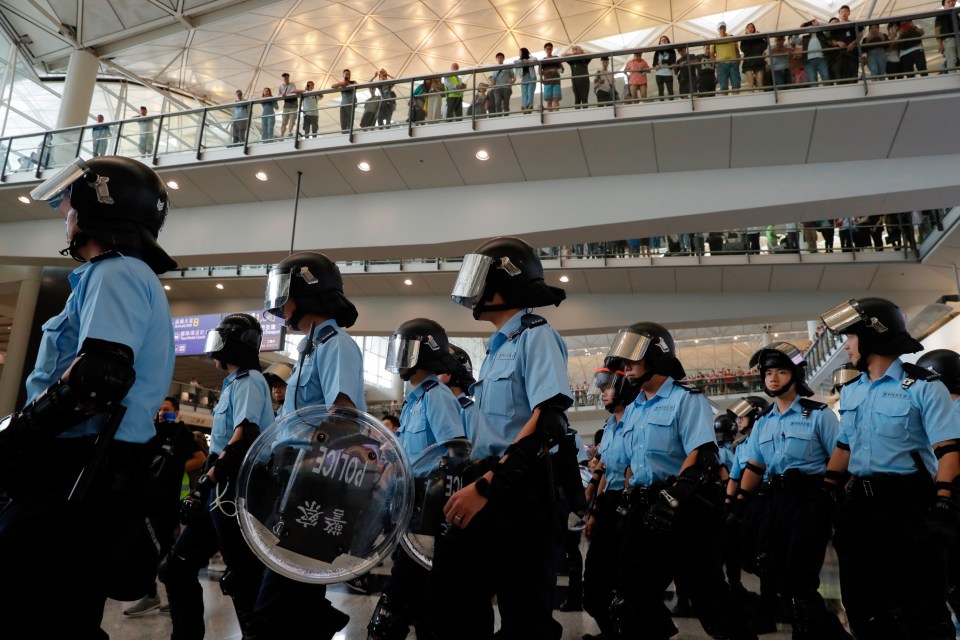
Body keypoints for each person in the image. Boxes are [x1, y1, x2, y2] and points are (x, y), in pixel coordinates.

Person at [0, 155, 177, 637]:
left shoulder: (115, 273)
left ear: (99, 208)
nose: (66, 215)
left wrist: (17, 436)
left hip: (76, 475)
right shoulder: (127, 276)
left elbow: (98, 379)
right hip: (96, 475)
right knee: (65, 618)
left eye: (71, 205)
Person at [427, 236, 571, 640]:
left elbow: (549, 421)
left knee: (525, 618)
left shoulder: (535, 335)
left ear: (504, 283)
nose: (471, 290)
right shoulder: (496, 348)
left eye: (479, 279)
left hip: (519, 491)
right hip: (487, 483)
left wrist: (490, 486)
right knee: (450, 610)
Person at [820, 297, 960, 639]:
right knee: (864, 609)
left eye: (850, 338)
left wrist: (943, 503)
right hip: (861, 510)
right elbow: (843, 448)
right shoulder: (853, 392)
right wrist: (825, 493)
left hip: (909, 506)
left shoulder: (925, 387)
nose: (846, 346)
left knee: (921, 610)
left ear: (872, 336)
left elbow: (950, 452)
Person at [606, 322, 756, 640]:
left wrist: (671, 499)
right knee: (629, 603)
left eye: (633, 358)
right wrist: (631, 495)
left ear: (657, 358)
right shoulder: (633, 409)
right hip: (643, 513)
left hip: (685, 515)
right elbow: (633, 463)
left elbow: (701, 455)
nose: (625, 367)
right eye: (623, 361)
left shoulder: (686, 400)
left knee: (711, 600)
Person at [254, 251, 364, 638]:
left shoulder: (336, 344)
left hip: (320, 485)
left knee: (277, 602)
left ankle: (321, 621)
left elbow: (343, 419)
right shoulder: (312, 348)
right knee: (294, 597)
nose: (278, 300)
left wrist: (306, 464)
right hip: (299, 482)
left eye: (284, 289)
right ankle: (322, 621)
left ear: (304, 292)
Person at [161, 314, 273, 639]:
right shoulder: (233, 383)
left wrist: (205, 484)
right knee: (176, 569)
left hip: (232, 490)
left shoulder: (251, 381)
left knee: (243, 580)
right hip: (218, 488)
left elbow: (245, 435)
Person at [732, 342, 853, 639]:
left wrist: (827, 497)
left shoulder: (819, 414)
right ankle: (829, 632)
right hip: (775, 502)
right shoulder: (763, 422)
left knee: (800, 580)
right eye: (768, 372)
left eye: (781, 371)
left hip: (809, 500)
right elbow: (756, 467)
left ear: (795, 375)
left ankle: (809, 632)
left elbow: (841, 457)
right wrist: (738, 505)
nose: (772, 378)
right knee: (778, 577)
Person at [367, 318, 465, 640]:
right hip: (409, 507)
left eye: (405, 349)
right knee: (413, 599)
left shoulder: (436, 396)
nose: (398, 358)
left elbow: (455, 452)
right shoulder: (413, 402)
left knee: (399, 606)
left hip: (429, 510)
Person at [124, 396, 206, 617]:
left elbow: (199, 458)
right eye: (160, 409)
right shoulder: (152, 430)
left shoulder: (181, 433)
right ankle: (151, 594)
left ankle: (167, 595)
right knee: (147, 547)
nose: (162, 412)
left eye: (167, 409)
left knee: (164, 549)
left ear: (177, 412)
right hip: (148, 500)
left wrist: (175, 469)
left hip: (168, 504)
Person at [582, 360, 638, 640]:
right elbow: (606, 470)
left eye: (608, 388)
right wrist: (594, 511)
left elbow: (631, 472)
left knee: (625, 586)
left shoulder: (636, 422)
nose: (603, 393)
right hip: (608, 507)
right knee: (592, 587)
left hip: (628, 509)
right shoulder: (611, 425)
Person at [802, 19, 832, 86]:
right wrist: (803, 25)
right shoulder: (805, 37)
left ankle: (829, 95)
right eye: (810, 25)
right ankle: (815, 96)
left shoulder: (822, 34)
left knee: (826, 78)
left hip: (822, 58)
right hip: (809, 61)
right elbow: (795, 40)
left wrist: (819, 24)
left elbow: (828, 28)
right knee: (812, 80)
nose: (812, 26)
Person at [715, 22, 742, 93]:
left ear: (726, 28)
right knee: (723, 86)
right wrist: (716, 64)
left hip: (733, 63)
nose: (722, 29)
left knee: (736, 84)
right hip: (721, 64)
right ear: (718, 29)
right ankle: (725, 102)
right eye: (721, 28)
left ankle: (737, 100)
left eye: (724, 27)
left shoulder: (732, 37)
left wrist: (737, 61)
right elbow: (712, 53)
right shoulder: (715, 40)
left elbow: (737, 50)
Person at [740, 23, 767, 91]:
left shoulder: (758, 38)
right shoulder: (744, 39)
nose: (750, 29)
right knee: (751, 83)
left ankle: (762, 98)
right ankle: (750, 100)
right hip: (748, 63)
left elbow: (764, 46)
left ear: (754, 29)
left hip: (758, 63)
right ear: (746, 30)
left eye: (752, 27)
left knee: (760, 83)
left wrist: (760, 36)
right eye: (748, 27)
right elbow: (743, 49)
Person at [541, 42, 564, 111]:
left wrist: (556, 71)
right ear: (544, 50)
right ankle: (550, 115)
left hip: (556, 82)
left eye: (550, 49)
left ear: (552, 49)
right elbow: (540, 73)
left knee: (556, 99)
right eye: (547, 49)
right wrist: (550, 70)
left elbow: (562, 69)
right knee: (549, 100)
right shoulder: (542, 61)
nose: (548, 50)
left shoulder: (556, 58)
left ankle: (557, 114)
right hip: (547, 83)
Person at [936, 0, 959, 72]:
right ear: (944, 3)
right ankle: (951, 77)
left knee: (953, 60)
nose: (952, 3)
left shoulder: (955, 13)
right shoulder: (941, 14)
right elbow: (937, 30)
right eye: (949, 1)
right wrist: (940, 44)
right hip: (948, 39)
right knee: (952, 60)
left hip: (957, 38)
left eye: (953, 1)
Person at [277, 72, 298, 137]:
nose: (286, 79)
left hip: (293, 103)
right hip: (286, 104)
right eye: (285, 78)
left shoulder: (292, 84)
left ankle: (290, 132)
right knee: (284, 121)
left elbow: (294, 91)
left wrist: (286, 94)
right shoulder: (281, 86)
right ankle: (282, 134)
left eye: (287, 78)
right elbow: (279, 94)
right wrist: (282, 95)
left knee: (292, 120)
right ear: (283, 79)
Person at [518, 47, 537, 112]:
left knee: (530, 91)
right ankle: (524, 106)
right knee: (524, 92)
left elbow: (535, 59)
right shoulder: (520, 60)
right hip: (524, 77)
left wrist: (528, 61)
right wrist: (523, 61)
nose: (519, 54)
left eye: (520, 52)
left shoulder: (531, 58)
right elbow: (514, 61)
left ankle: (529, 105)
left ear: (523, 52)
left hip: (531, 76)